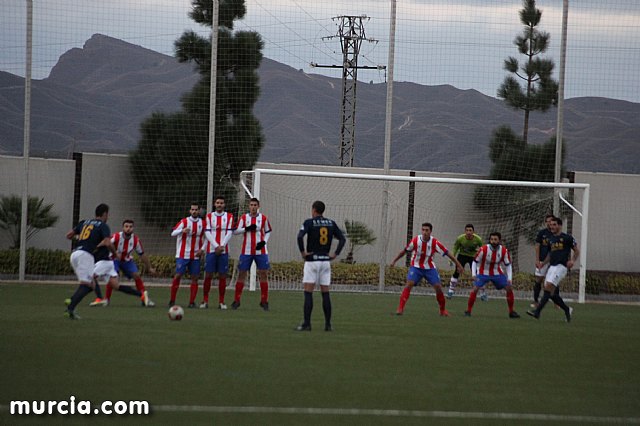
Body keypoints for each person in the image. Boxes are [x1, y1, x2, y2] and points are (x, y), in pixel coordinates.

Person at [390, 222, 463, 316]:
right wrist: (394, 261)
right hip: (416, 267)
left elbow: (448, 254)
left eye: (427, 230)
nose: (424, 232)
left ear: (430, 231)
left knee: (438, 287)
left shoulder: (435, 243)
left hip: (429, 268)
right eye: (423, 230)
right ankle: (400, 309)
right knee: (409, 284)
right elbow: (404, 251)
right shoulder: (416, 240)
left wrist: (459, 265)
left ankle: (443, 310)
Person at [294, 201, 347, 331]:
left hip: (312, 261)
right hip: (325, 261)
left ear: (313, 210)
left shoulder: (309, 222)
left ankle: (307, 323)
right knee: (325, 293)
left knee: (308, 293)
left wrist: (303, 253)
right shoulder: (331, 223)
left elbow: (300, 237)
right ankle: (328, 325)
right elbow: (342, 239)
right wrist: (335, 254)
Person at [64, 203, 112, 319]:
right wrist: (115, 254)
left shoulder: (84, 222)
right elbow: (107, 242)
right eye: (107, 215)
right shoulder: (103, 225)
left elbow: (69, 235)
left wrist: (81, 238)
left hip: (75, 254)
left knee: (90, 284)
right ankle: (70, 305)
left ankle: (71, 307)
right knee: (89, 285)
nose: (108, 217)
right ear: (104, 214)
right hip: (85, 255)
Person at [527, 217, 578, 322]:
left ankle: (537, 312)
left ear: (559, 226)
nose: (552, 227)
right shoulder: (551, 239)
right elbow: (550, 254)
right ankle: (567, 309)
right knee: (551, 293)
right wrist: (543, 263)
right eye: (551, 225)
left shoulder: (567, 238)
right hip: (552, 267)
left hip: (561, 267)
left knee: (548, 287)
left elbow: (576, 251)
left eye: (554, 225)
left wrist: (572, 261)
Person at [464, 232, 520, 318]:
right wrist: (474, 274)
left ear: (499, 241)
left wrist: (510, 278)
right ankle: (468, 310)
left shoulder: (504, 250)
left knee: (509, 288)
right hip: (483, 273)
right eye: (491, 239)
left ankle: (511, 312)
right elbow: (475, 262)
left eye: (495, 239)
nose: (493, 241)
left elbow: (508, 265)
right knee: (475, 289)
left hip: (497, 273)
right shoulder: (483, 249)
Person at [232, 198, 272, 311]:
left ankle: (264, 301)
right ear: (249, 206)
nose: (253, 207)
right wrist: (247, 228)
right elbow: (235, 231)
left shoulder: (263, 218)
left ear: (258, 206)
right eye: (251, 205)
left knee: (263, 274)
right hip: (247, 251)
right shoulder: (244, 218)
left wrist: (264, 242)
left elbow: (268, 231)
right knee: (242, 274)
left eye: (255, 205)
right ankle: (237, 300)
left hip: (261, 251)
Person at [104, 219, 156, 307]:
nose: (128, 229)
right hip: (114, 260)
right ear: (123, 228)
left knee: (136, 275)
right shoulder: (116, 236)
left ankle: (145, 298)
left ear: (133, 228)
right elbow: (107, 243)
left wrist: (149, 267)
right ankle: (106, 299)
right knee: (113, 278)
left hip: (127, 261)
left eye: (130, 227)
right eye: (126, 226)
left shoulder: (135, 240)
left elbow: (142, 254)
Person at [200, 195, 234, 309]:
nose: (219, 205)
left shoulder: (229, 216)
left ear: (224, 205)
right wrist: (216, 246)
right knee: (208, 275)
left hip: (223, 251)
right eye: (217, 203)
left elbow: (230, 232)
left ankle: (221, 301)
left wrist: (222, 245)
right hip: (211, 250)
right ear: (215, 204)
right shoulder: (209, 217)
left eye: (221, 203)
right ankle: (205, 301)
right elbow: (207, 232)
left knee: (222, 276)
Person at [169, 203, 205, 308]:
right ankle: (172, 300)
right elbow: (173, 233)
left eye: (196, 210)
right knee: (178, 275)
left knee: (195, 278)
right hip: (182, 254)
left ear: (199, 211)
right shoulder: (184, 222)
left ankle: (192, 302)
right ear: (190, 211)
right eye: (192, 209)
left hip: (195, 255)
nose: (194, 211)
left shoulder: (202, 223)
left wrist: (202, 249)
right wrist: (182, 230)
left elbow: (207, 237)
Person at [446, 224, 485, 300]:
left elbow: (483, 249)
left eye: (470, 230)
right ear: (465, 231)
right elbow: (455, 248)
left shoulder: (478, 239)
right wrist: (451, 258)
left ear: (473, 232)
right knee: (456, 272)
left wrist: (480, 254)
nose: (468, 232)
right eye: (467, 230)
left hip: (473, 257)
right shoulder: (460, 239)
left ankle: (482, 293)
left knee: (476, 274)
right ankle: (450, 291)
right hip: (462, 256)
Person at [532, 214, 557, 308]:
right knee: (538, 280)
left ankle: (556, 302)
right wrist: (537, 260)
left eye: (551, 221)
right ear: (545, 222)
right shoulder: (542, 233)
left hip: (553, 261)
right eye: (548, 221)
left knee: (553, 282)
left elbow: (553, 250)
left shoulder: (556, 234)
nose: (549, 223)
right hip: (541, 260)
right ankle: (536, 301)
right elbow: (537, 246)